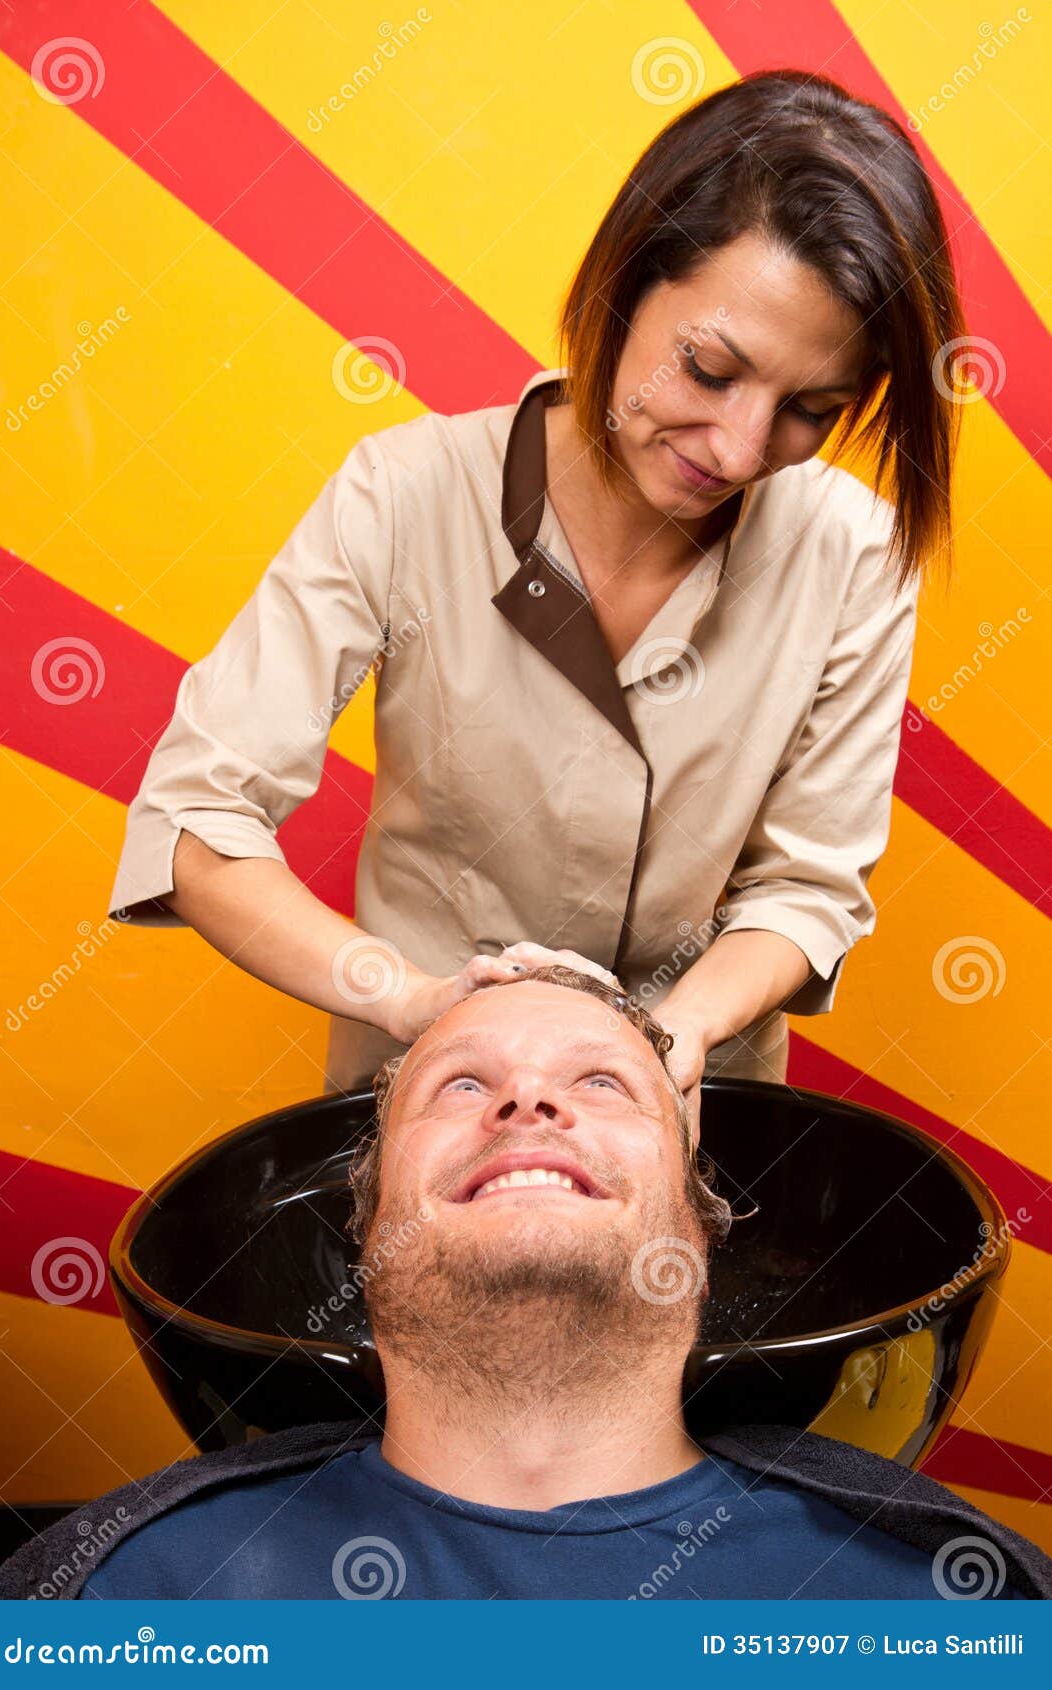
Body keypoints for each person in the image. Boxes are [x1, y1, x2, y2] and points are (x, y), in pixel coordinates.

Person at [105, 70, 965, 1114]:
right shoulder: (407, 492)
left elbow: (806, 886)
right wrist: (415, 1002)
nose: (739, 447)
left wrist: (669, 1036)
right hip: (427, 1110)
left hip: (685, 1124)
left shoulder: (854, 557)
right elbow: (199, 819)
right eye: (705, 368)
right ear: (621, 281)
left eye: (809, 410)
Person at [0, 966, 1048, 1601]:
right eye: (460, 1084)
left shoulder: (942, 1600)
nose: (528, 1102)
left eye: (599, 1080)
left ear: (697, 1226)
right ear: (365, 1236)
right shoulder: (126, 1598)